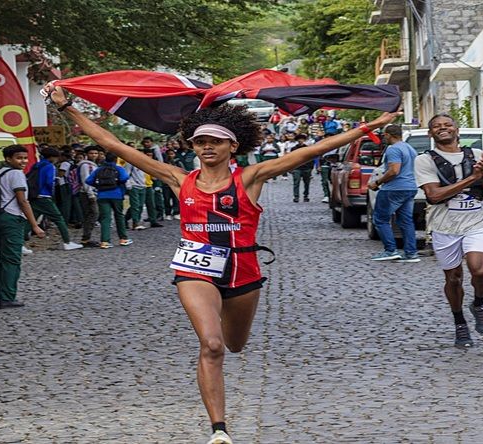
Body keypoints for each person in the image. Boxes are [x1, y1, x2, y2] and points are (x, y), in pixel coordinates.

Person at [46, 82, 399, 444]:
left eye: (215, 141)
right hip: (194, 270)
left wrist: (371, 125)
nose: (207, 147)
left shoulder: (250, 177)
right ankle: (219, 429)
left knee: (234, 344)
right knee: (211, 345)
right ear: (193, 146)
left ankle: (221, 404)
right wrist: (68, 106)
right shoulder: (178, 178)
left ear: (233, 146)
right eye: (201, 142)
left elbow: (314, 150)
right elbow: (113, 145)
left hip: (243, 270)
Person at [414, 114, 483, 348]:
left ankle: (479, 304)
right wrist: (472, 177)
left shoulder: (477, 156)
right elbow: (434, 195)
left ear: (457, 130)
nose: (443, 128)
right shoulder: (425, 160)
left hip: (476, 221)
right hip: (444, 225)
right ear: (430, 134)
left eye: (447, 125)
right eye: (436, 127)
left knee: (479, 270)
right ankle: (460, 323)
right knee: (454, 278)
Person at [0, 145, 46, 309]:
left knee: (3, 259)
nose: (23, 161)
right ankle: (7, 297)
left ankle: (3, 295)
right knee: (12, 259)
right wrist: (35, 225)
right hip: (11, 219)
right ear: (8, 159)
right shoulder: (17, 175)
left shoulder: (0, 173)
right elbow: (23, 201)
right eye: (19, 158)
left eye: (25, 158)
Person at [368, 124, 420, 263]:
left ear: (389, 135)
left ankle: (390, 250)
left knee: (380, 219)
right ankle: (411, 253)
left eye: (385, 135)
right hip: (410, 187)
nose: (384, 137)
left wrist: (377, 182)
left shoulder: (393, 149)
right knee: (405, 221)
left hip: (393, 188)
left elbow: (394, 171)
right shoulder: (410, 148)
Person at [29, 146, 83, 251]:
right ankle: (67, 242)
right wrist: (52, 192)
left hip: (34, 195)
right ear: (52, 157)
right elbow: (50, 182)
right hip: (45, 196)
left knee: (30, 221)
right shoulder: (50, 166)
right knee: (59, 219)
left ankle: (20, 244)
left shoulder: (36, 165)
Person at [86, 153, 133, 248]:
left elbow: (88, 180)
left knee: (105, 218)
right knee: (119, 216)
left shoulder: (99, 169)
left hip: (102, 195)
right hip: (117, 195)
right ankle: (123, 239)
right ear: (116, 159)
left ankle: (105, 241)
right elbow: (124, 178)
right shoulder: (119, 169)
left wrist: (99, 186)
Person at [78, 145, 101, 247]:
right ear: (86, 155)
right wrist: (90, 194)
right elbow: (85, 180)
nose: (94, 155)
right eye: (91, 153)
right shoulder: (86, 165)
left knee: (91, 215)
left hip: (93, 192)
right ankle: (85, 238)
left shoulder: (94, 165)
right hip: (86, 193)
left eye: (96, 153)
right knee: (93, 214)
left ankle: (86, 237)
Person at [290, 133, 314, 203]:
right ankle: (296, 196)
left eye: (302, 139)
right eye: (299, 139)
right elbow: (291, 158)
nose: (301, 140)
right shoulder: (293, 148)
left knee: (307, 183)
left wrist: (311, 167)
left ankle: (306, 196)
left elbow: (311, 158)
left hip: (306, 168)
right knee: (296, 183)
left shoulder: (307, 148)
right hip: (296, 168)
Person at [163, 149, 181, 220]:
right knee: (166, 199)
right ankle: (168, 213)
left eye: (172, 154)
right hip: (166, 184)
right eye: (169, 154)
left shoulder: (178, 162)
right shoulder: (164, 163)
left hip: (176, 184)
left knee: (176, 199)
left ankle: (176, 212)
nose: (170, 155)